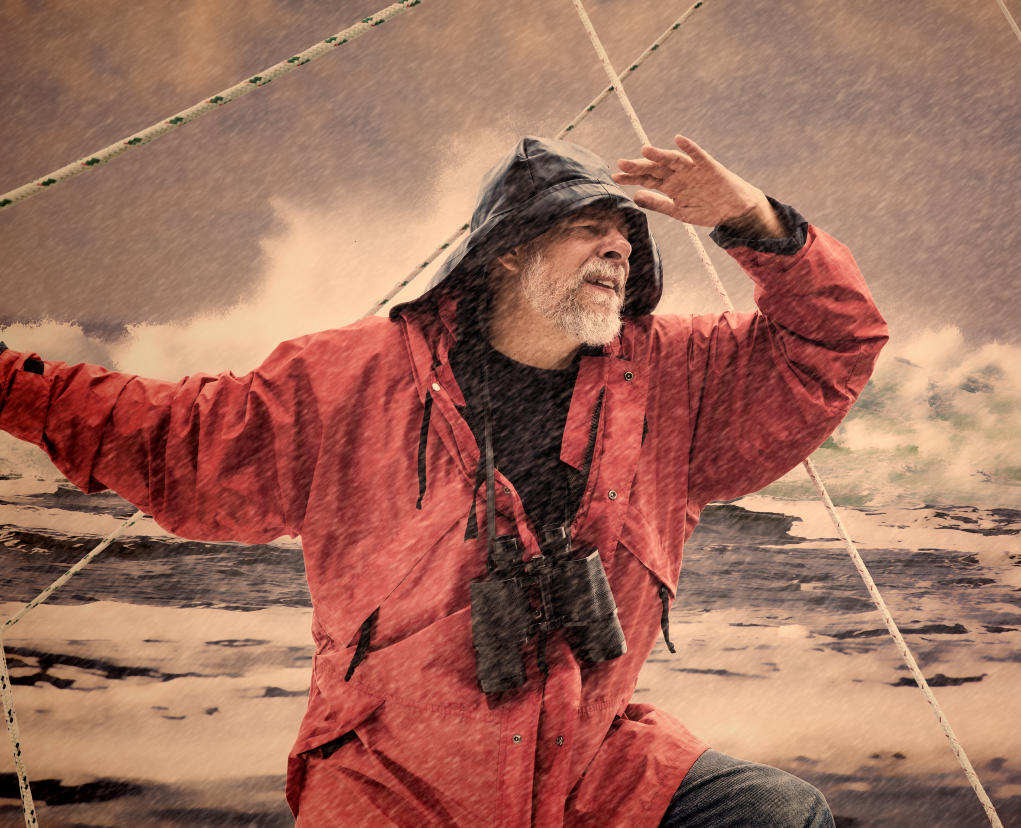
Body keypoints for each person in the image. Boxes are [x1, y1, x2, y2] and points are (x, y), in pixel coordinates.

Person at [0, 134, 887, 826]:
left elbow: (833, 344)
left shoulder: (673, 375)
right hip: (396, 782)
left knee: (776, 813)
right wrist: (8, 381)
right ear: (505, 253)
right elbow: (171, 436)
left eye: (627, 235)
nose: (618, 247)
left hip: (587, 765)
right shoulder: (347, 379)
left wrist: (753, 219)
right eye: (588, 226)